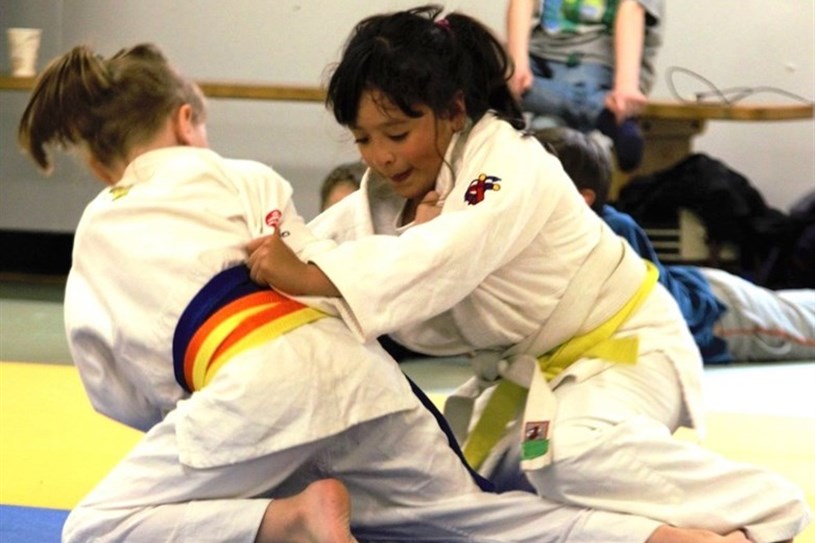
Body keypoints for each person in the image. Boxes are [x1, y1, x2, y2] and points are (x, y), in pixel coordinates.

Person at [17, 42, 720, 543]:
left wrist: (200, 436)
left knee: (97, 527)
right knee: (472, 518)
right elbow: (308, 256)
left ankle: (290, 520)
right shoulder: (244, 175)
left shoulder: (98, 230)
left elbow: (123, 386)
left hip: (245, 380)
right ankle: (664, 536)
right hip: (357, 372)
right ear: (184, 121)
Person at [245, 6, 812, 542]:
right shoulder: (387, 194)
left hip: (622, 348)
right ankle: (669, 532)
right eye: (363, 139)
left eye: (396, 134)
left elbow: (436, 255)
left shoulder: (505, 165)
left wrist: (311, 275)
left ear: (453, 109)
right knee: (445, 486)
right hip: (526, 379)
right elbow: (315, 239)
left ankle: (762, 509)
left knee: (567, 455)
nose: (382, 158)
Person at [533, 126, 815, 365]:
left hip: (715, 316)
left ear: (583, 199)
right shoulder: (536, 231)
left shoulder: (611, 232)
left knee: (802, 322)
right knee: (793, 306)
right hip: (695, 285)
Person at [505, 0, 664, 171]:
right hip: (539, 50)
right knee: (490, 79)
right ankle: (598, 110)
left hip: (593, 57)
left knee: (547, 126)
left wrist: (625, 87)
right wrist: (517, 63)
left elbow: (632, 11)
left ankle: (545, 100)